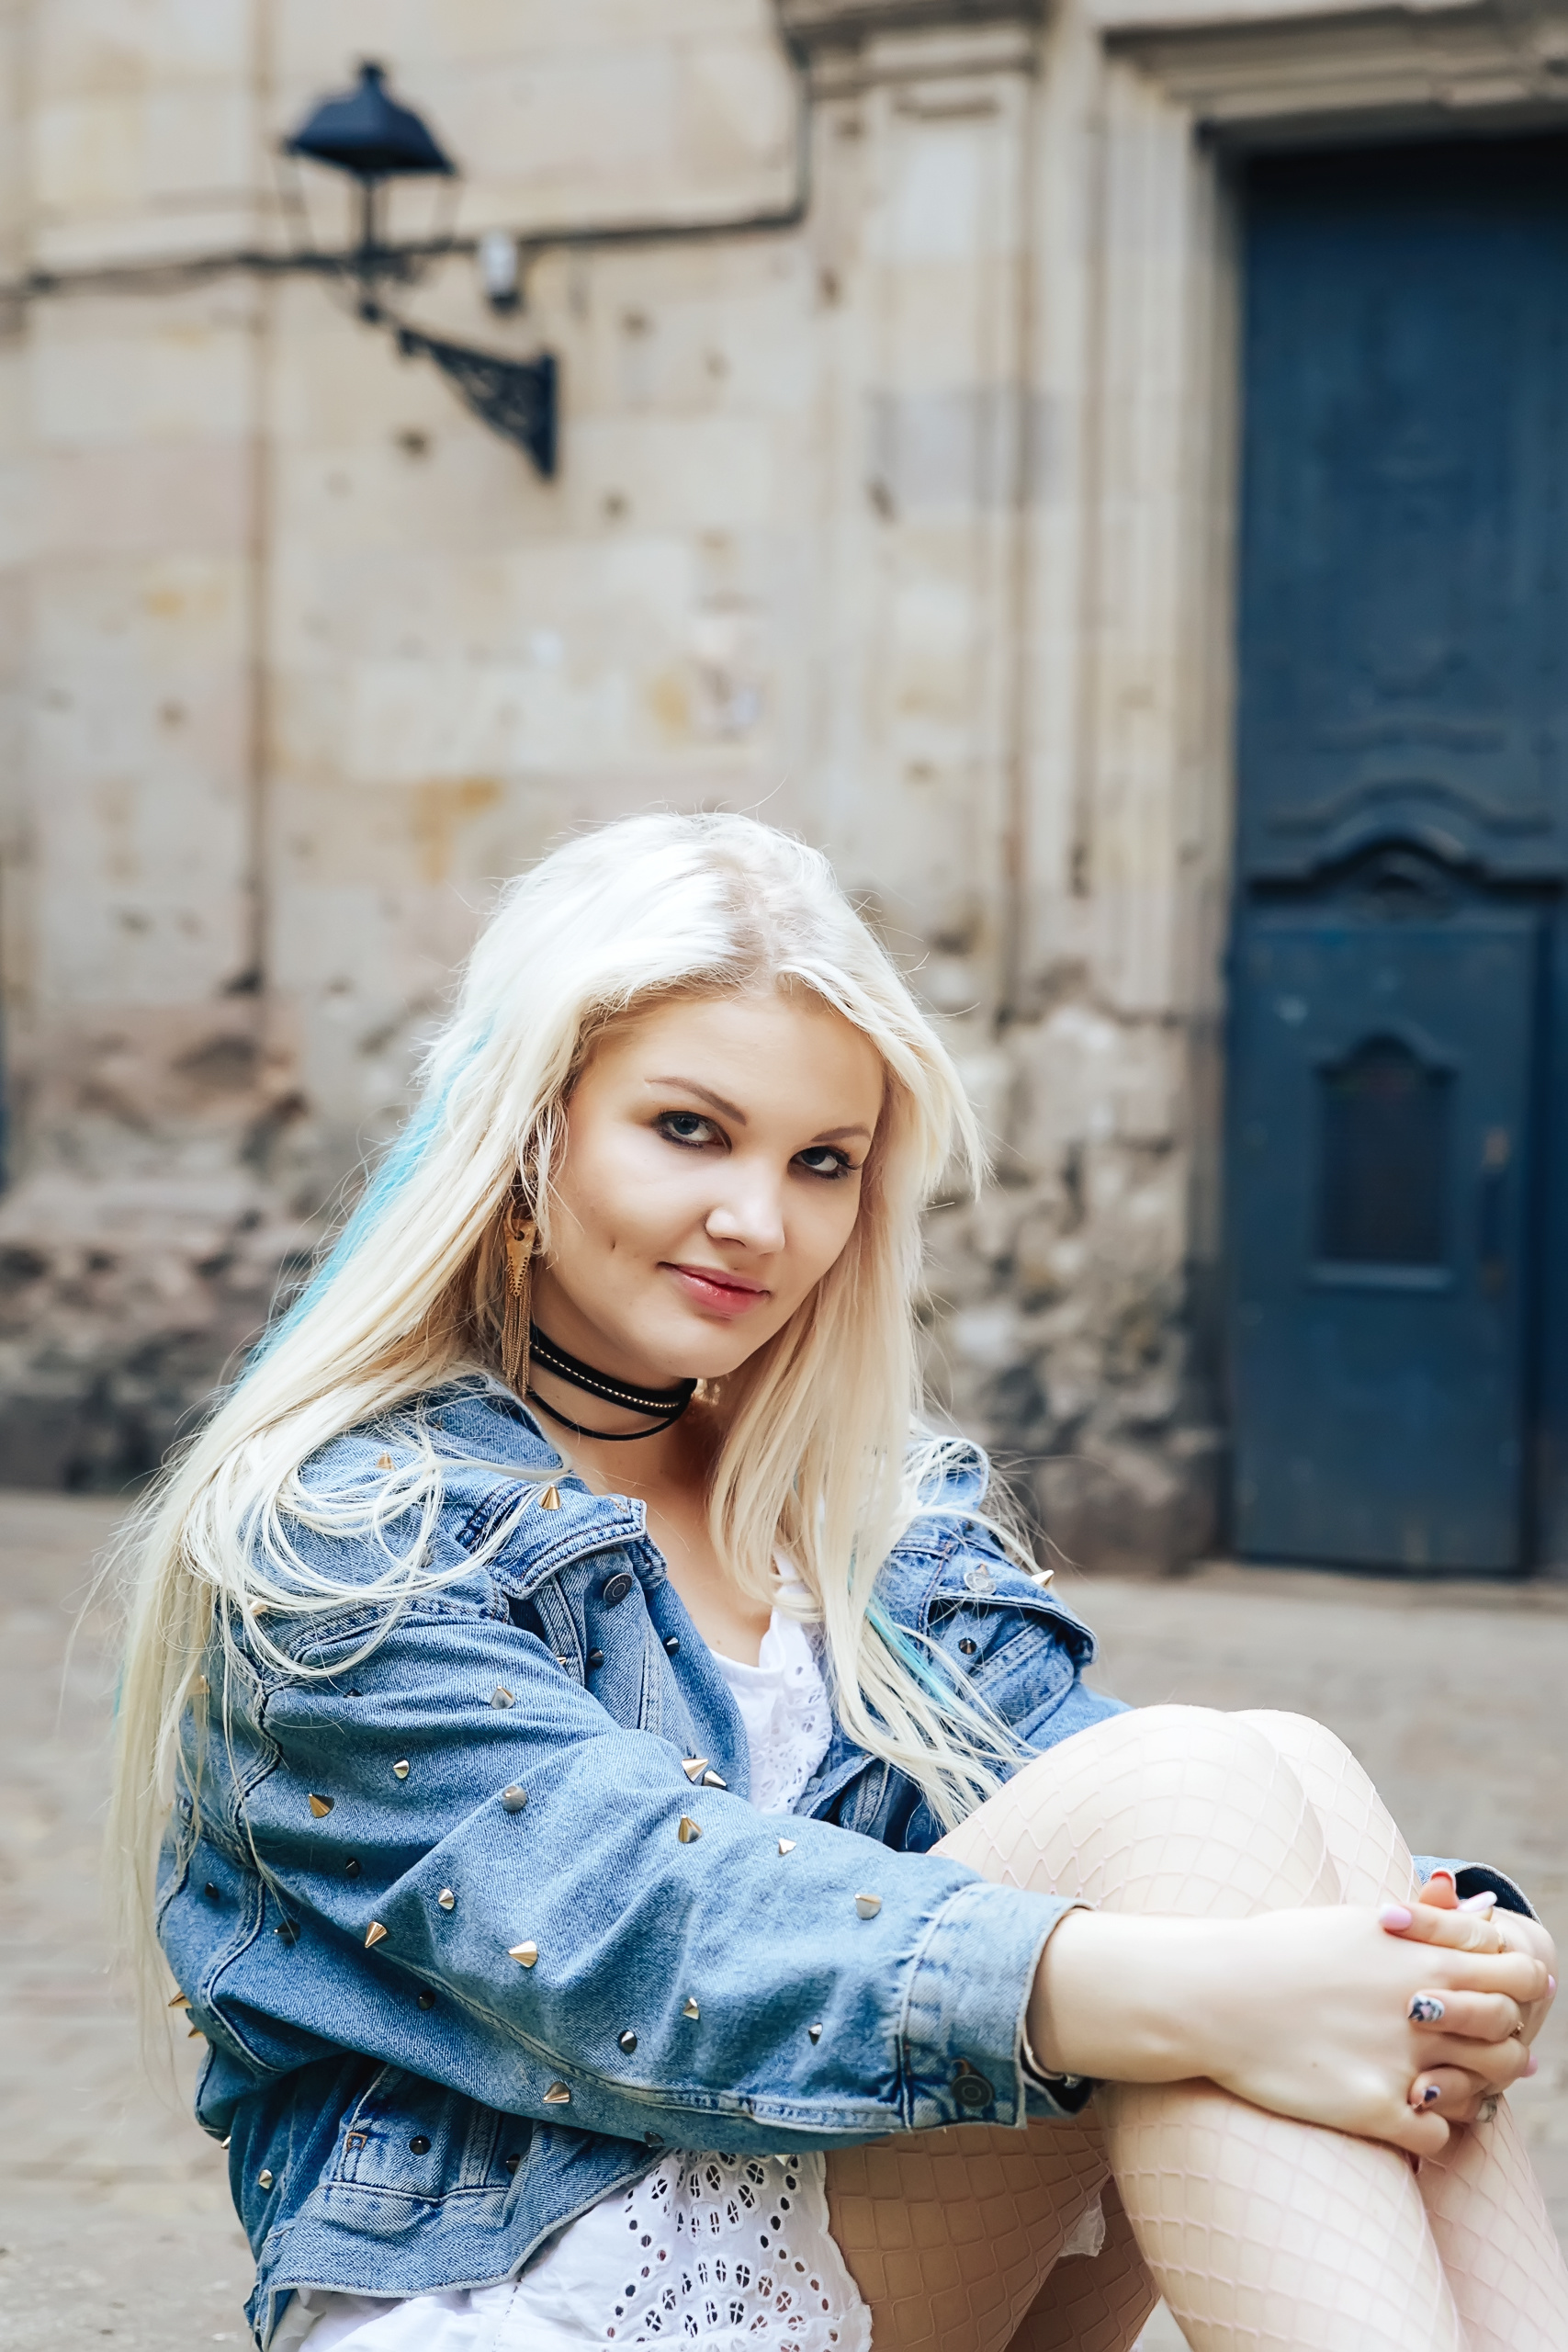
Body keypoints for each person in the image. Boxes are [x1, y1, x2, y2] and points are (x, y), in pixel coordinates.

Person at [110, 813, 1565, 2352]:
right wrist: (1225, 1987)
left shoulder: (871, 1517)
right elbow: (641, 1931)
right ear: (529, 1133)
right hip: (523, 2269)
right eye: (689, 1130)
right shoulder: (351, 1527)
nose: (761, 1222)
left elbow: (1116, 1805)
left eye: (822, 1163)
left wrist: (1435, 1957)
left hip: (846, 2204)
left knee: (1278, 1776)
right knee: (1205, 1832)